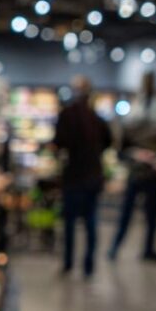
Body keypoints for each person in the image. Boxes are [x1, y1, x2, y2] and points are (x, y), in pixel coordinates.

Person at [52, 75, 112, 276]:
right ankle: (88, 265)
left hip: (74, 176)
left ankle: (69, 263)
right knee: (90, 221)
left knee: (70, 222)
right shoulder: (97, 118)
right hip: (93, 176)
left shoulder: (67, 116)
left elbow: (58, 143)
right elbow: (108, 143)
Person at [108, 72, 156, 263]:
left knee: (151, 218)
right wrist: (137, 155)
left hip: (154, 175)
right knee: (127, 215)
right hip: (137, 174)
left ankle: (147, 249)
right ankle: (115, 247)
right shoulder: (135, 113)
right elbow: (122, 150)